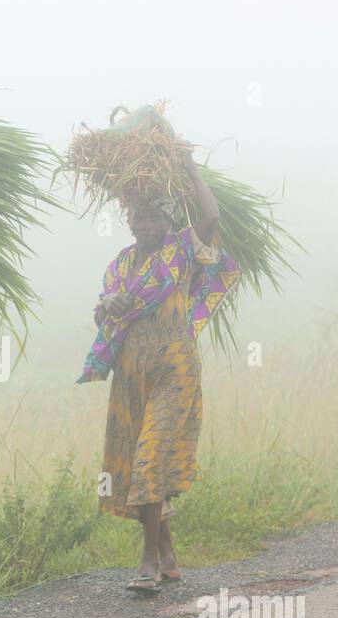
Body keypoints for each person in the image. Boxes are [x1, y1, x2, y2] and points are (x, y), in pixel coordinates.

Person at [78, 156, 240, 593]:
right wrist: (106, 307)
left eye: (154, 217)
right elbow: (103, 317)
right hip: (130, 375)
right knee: (135, 466)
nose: (145, 224)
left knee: (150, 459)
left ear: (167, 221)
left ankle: (148, 561)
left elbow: (212, 214)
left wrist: (187, 164)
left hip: (174, 368)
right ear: (130, 223)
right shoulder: (121, 265)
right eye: (139, 217)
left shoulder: (183, 251)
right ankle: (168, 556)